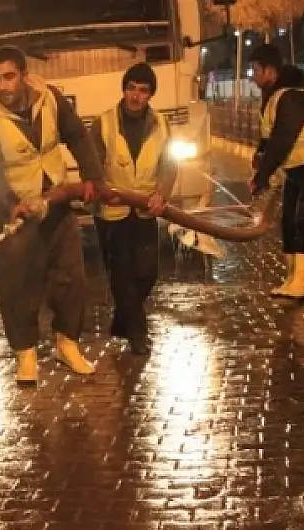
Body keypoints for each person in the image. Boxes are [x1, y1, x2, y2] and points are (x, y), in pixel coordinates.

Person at [0, 45, 101, 384]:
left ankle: (67, 343)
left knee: (71, 279)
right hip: (18, 214)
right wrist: (7, 201)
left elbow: (77, 135)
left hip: (58, 205)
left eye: (10, 77)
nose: (3, 86)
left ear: (24, 76)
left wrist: (91, 176)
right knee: (17, 286)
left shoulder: (52, 99)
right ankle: (25, 354)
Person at [88, 62, 177, 356]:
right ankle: (138, 334)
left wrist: (162, 193)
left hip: (145, 210)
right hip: (112, 214)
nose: (136, 96)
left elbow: (168, 164)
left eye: (143, 90)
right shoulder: (103, 123)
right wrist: (102, 191)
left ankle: (123, 317)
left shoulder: (161, 124)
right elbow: (92, 165)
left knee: (147, 272)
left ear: (150, 95)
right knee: (122, 274)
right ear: (124, 90)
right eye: (131, 88)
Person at [248, 43, 304, 299]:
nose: (253, 76)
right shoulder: (275, 96)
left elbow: (283, 139)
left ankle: (302, 282)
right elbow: (270, 135)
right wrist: (259, 155)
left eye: (256, 70)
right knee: (288, 220)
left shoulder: (293, 96)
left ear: (271, 71)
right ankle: (292, 278)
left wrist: (262, 176)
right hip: (298, 167)